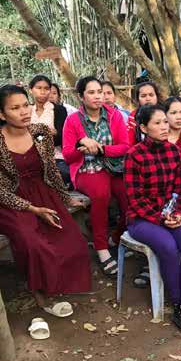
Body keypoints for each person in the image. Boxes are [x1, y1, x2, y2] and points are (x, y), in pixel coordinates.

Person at [0, 85, 91, 318]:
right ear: (1, 113)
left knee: (72, 240)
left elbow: (51, 170)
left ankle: (59, 283)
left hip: (44, 193)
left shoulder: (40, 132)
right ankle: (41, 294)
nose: (24, 112)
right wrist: (32, 209)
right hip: (12, 201)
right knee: (34, 244)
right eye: (15, 108)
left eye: (25, 105)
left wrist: (65, 197)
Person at [125, 104, 181, 336]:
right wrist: (161, 218)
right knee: (168, 246)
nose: (164, 127)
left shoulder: (173, 152)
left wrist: (177, 213)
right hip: (142, 218)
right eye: (157, 123)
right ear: (143, 127)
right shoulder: (134, 155)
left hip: (171, 214)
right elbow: (135, 199)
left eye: (165, 122)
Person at [63, 76, 130, 276]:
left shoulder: (114, 116)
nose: (97, 96)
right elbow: (67, 155)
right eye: (91, 92)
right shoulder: (73, 120)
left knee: (129, 196)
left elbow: (125, 146)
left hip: (114, 167)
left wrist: (101, 149)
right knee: (101, 194)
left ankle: (116, 237)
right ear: (81, 96)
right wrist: (81, 146)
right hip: (87, 168)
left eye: (99, 92)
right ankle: (101, 248)